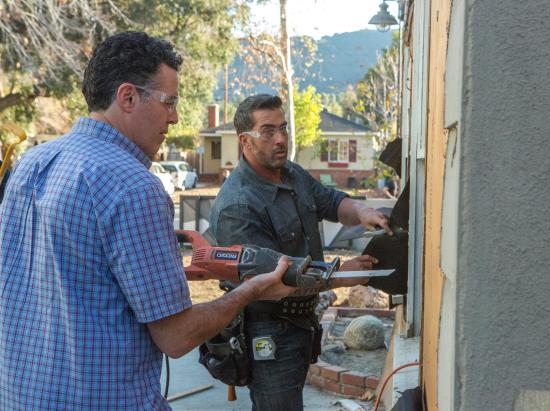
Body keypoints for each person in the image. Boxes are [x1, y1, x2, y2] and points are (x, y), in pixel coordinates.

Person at [0, 32, 294, 410]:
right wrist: (251, 291)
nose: (174, 117)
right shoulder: (134, 187)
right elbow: (176, 336)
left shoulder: (32, 163)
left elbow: (57, 276)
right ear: (128, 97)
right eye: (169, 102)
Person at [208, 94, 393, 411]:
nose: (280, 139)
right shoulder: (237, 204)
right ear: (244, 140)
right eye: (268, 131)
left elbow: (332, 202)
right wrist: (336, 277)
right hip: (268, 329)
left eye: (283, 128)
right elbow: (266, 281)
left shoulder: (291, 174)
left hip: (300, 321)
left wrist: (363, 211)